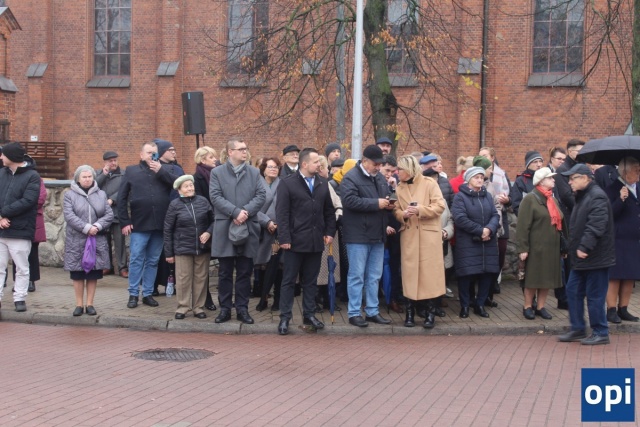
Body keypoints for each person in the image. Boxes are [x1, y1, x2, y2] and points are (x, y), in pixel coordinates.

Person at [275, 148, 336, 334]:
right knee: (289, 280)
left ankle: (309, 315)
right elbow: (282, 213)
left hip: (315, 240)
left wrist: (329, 232)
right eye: (316, 162)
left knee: (310, 281)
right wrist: (284, 237)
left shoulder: (322, 183)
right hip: (294, 241)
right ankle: (285, 318)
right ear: (304, 164)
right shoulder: (287, 183)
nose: (319, 164)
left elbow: (329, 211)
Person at [209, 137, 266, 324]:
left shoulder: (254, 172)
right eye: (241, 149)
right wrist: (235, 212)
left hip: (248, 227)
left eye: (245, 148)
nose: (245, 152)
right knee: (225, 272)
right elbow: (215, 196)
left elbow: (261, 195)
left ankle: (242, 309)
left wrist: (245, 212)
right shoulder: (217, 172)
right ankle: (225, 309)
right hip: (225, 227)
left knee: (244, 272)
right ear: (230, 152)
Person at [558, 164, 615, 345]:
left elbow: (596, 225)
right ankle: (578, 328)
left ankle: (600, 332)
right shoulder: (582, 196)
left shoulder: (597, 196)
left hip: (595, 257)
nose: (570, 182)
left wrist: (584, 247)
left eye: (573, 178)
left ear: (585, 178)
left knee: (595, 296)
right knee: (572, 291)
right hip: (581, 259)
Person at [118, 141, 178, 309]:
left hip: (159, 223)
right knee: (136, 259)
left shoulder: (164, 170)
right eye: (149, 152)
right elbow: (121, 197)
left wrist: (161, 171)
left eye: (154, 152)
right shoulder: (131, 171)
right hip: (139, 223)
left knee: (152, 260)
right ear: (141, 154)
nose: (152, 155)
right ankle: (133, 293)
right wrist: (125, 221)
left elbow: (176, 185)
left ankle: (148, 293)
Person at [341, 144, 393, 327]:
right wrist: (376, 204)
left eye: (380, 164)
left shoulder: (379, 177)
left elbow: (384, 197)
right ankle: (354, 313)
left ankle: (372, 311)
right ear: (364, 161)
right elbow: (349, 201)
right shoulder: (350, 177)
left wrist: (389, 202)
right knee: (356, 276)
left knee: (374, 276)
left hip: (377, 234)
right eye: (375, 164)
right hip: (358, 235)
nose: (378, 167)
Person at [393, 155, 446, 328]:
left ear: (409, 169)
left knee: (430, 276)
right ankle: (410, 313)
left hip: (428, 236)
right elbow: (396, 210)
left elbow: (440, 206)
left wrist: (420, 210)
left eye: (400, 169)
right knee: (409, 275)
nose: (397, 172)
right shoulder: (399, 188)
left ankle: (430, 314)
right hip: (409, 235)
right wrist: (403, 215)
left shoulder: (429, 183)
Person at [516, 167, 567, 320]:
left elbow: (561, 223)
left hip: (552, 248)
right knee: (532, 279)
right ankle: (527, 306)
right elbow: (523, 226)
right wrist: (523, 248)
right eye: (550, 178)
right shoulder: (530, 199)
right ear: (541, 181)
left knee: (546, 279)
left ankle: (540, 307)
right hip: (536, 248)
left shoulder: (552, 199)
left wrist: (564, 247)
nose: (553, 180)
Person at [63, 165, 114, 316]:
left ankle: (90, 304)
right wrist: (86, 227)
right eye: (84, 177)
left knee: (93, 273)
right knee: (78, 273)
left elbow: (109, 215)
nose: (87, 179)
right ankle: (79, 304)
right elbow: (69, 216)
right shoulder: (69, 195)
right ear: (78, 179)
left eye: (90, 176)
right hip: (77, 240)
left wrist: (97, 226)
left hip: (96, 239)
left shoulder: (101, 194)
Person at [451, 166, 500, 318]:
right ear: (468, 180)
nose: (480, 180)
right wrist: (480, 231)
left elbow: (495, 215)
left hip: (487, 242)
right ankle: (465, 305)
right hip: (468, 242)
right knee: (466, 275)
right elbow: (460, 218)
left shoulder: (487, 196)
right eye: (476, 177)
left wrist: (489, 229)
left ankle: (480, 304)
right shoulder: (460, 197)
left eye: (481, 177)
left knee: (487, 274)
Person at [163, 175, 214, 319]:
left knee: (201, 278)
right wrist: (169, 253)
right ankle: (182, 307)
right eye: (186, 186)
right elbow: (167, 229)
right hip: (182, 248)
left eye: (191, 185)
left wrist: (208, 232)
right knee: (183, 278)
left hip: (202, 248)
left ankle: (198, 307)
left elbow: (214, 220)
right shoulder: (174, 205)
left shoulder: (203, 201)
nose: (190, 188)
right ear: (179, 190)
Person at [0, 142, 42, 312]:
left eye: (3, 154)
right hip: (1, 230)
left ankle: (19, 298)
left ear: (12, 156)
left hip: (20, 230)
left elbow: (28, 200)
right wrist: (0, 217)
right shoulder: (1, 173)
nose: (1, 157)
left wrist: (4, 213)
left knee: (22, 268)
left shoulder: (32, 176)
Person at [604, 157, 640, 323]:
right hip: (618, 239)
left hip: (634, 239)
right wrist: (620, 199)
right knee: (615, 275)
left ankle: (623, 308)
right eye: (636, 170)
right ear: (625, 172)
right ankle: (611, 309)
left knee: (630, 275)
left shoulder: (637, 187)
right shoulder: (612, 189)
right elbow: (609, 214)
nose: (639, 173)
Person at [192, 146, 218, 311]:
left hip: (219, 222)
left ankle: (223, 297)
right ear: (202, 160)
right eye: (211, 157)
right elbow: (201, 203)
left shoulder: (217, 175)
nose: (215, 159)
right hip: (206, 225)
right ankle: (205, 297)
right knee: (203, 264)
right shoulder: (197, 178)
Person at [255, 157, 282, 312]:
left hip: (278, 232)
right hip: (262, 231)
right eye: (270, 167)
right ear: (263, 169)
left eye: (276, 167)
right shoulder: (256, 185)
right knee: (263, 266)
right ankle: (263, 297)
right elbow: (252, 207)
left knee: (278, 265)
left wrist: (277, 224)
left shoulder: (283, 184)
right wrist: (267, 222)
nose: (273, 169)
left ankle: (277, 299)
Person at [96, 151, 128, 278]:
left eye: (115, 160)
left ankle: (122, 268)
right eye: (110, 161)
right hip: (102, 214)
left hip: (117, 213)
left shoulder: (124, 174)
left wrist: (112, 199)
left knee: (120, 242)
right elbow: (94, 186)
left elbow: (125, 190)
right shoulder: (99, 174)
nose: (113, 163)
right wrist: (103, 175)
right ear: (105, 162)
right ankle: (106, 266)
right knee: (104, 242)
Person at [510, 150, 544, 215]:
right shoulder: (520, 181)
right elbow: (516, 204)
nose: (539, 165)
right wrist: (526, 218)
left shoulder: (546, 179)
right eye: (535, 162)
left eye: (540, 161)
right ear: (528, 165)